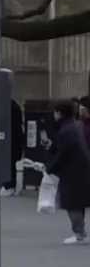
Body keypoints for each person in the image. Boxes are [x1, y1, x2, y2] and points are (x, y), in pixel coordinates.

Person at [46, 100, 89, 245]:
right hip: (81, 169)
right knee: (79, 202)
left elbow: (63, 153)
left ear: (60, 113)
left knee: (72, 203)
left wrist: (50, 168)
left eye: (55, 112)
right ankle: (81, 232)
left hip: (72, 171)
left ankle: (79, 233)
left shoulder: (66, 130)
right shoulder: (76, 125)